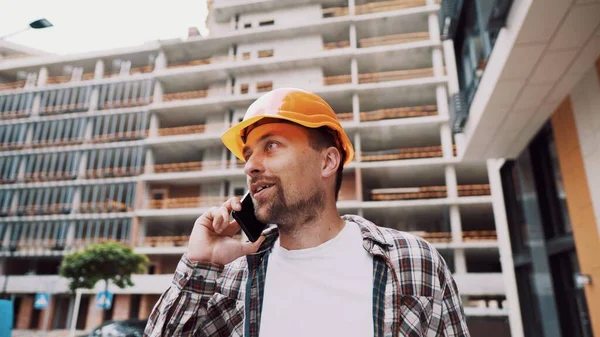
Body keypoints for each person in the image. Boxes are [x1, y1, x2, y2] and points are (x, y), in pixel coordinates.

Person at [144, 88, 470, 337]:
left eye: (271, 146)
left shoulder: (414, 262)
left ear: (327, 162)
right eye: (248, 155)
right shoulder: (233, 276)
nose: (250, 167)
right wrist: (200, 266)